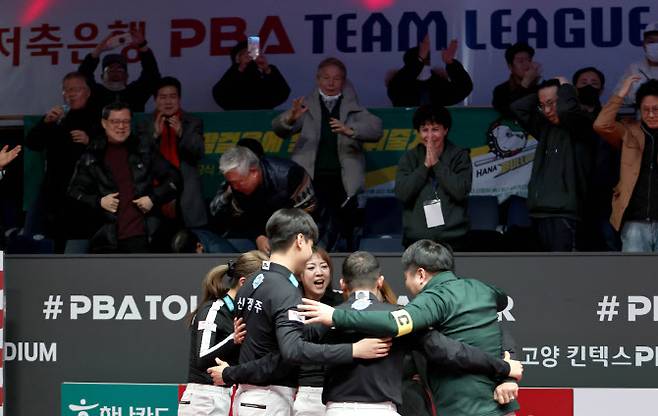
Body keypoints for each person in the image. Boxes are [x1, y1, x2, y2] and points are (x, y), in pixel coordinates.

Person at [299, 240, 521, 416]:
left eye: (406, 277)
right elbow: (459, 343)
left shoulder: (431, 300)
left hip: (463, 406)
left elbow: (392, 323)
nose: (406, 284)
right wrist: (505, 369)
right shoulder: (481, 289)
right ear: (379, 281)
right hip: (491, 403)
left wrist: (337, 316)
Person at [206, 208, 392, 416]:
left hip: (250, 398)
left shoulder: (251, 283)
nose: (311, 251)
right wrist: (354, 350)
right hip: (268, 399)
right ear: (300, 240)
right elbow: (292, 350)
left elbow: (273, 342)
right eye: (312, 245)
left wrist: (333, 318)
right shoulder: (284, 288)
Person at [272, 57, 383, 251]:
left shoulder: (352, 105)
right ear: (318, 79)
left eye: (336, 78)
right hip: (311, 178)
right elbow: (279, 129)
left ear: (344, 81)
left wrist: (351, 130)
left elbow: (376, 129)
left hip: (344, 180)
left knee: (346, 228)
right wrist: (290, 118)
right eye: (326, 78)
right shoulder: (305, 105)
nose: (331, 83)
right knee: (309, 229)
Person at [68, 102, 182, 253]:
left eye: (126, 121)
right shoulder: (92, 155)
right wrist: (99, 201)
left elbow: (175, 178)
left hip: (145, 236)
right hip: (106, 240)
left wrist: (153, 198)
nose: (121, 126)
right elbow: (74, 192)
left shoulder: (144, 149)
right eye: (115, 121)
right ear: (104, 123)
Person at [179, 250, 268, 416]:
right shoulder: (213, 310)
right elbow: (201, 358)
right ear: (244, 282)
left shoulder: (244, 314)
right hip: (202, 400)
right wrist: (232, 339)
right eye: (263, 285)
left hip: (225, 397)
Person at [510, 78, 594, 251]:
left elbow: (566, 111)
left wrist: (566, 88)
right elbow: (517, 108)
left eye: (552, 103)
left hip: (565, 213)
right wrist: (543, 93)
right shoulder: (545, 127)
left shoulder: (581, 125)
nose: (547, 111)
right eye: (543, 105)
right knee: (542, 273)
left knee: (564, 273)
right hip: (539, 211)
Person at [24, 72, 101, 252]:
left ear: (88, 92)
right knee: (41, 240)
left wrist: (90, 141)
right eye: (66, 90)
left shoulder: (99, 117)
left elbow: (112, 150)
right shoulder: (57, 118)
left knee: (77, 245)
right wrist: (46, 122)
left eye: (76, 89)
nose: (71, 94)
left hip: (85, 193)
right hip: (54, 190)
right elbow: (32, 144)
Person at [137, 76, 207, 249]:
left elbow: (198, 152)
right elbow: (139, 160)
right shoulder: (144, 124)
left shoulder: (192, 122)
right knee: (153, 245)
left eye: (172, 96)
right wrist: (155, 136)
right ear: (155, 100)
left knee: (189, 245)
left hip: (185, 195)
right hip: (154, 195)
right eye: (163, 97)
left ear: (179, 99)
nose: (168, 101)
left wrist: (182, 133)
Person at [209, 146, 317, 254]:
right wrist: (258, 237)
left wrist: (280, 239)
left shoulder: (290, 174)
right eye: (232, 183)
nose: (234, 187)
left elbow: (309, 213)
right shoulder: (236, 186)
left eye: (238, 182)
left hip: (310, 232)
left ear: (254, 172)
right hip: (266, 238)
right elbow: (242, 219)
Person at [594, 76, 658, 252]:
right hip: (634, 222)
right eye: (646, 110)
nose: (651, 114)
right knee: (635, 277)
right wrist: (621, 93)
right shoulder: (629, 131)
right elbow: (601, 124)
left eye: (656, 109)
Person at [395, 105, 472, 250]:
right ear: (418, 132)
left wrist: (436, 164)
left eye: (435, 129)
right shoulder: (409, 157)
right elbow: (402, 194)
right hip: (416, 241)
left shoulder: (460, 156)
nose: (429, 136)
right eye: (425, 130)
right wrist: (424, 167)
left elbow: (461, 191)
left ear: (445, 130)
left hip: (453, 240)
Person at [572, 67, 621, 251]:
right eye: (583, 83)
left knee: (610, 247)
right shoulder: (567, 121)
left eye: (594, 83)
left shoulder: (613, 123)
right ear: (574, 89)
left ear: (601, 90)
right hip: (574, 198)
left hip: (605, 200)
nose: (589, 87)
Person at [293, 247, 343, 416]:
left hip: (339, 388)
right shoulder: (291, 304)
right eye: (311, 267)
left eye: (324, 266)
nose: (319, 272)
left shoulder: (342, 302)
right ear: (300, 274)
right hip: (304, 389)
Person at [78, 30, 161, 112]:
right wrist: (98, 50)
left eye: (120, 68)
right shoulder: (94, 93)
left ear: (127, 76)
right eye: (110, 68)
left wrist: (142, 46)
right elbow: (81, 77)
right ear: (102, 76)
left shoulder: (135, 93)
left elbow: (152, 75)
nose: (115, 70)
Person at [387, 36, 473, 107]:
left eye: (426, 60)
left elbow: (464, 88)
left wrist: (451, 63)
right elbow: (398, 86)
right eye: (422, 60)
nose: (424, 64)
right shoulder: (399, 86)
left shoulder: (438, 84)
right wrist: (419, 60)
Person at [212, 40, 291, 110]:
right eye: (246, 54)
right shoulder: (233, 75)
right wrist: (240, 67)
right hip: (236, 120)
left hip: (263, 120)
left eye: (255, 53)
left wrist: (267, 70)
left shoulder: (265, 75)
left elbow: (283, 93)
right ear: (237, 58)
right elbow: (220, 95)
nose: (251, 57)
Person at [614, 22, 658, 109]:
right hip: (640, 118)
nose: (656, 45)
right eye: (651, 41)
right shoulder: (634, 68)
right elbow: (617, 99)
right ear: (644, 45)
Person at [492, 42, 542, 119]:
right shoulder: (500, 91)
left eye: (529, 60)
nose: (526, 64)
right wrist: (525, 83)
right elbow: (510, 112)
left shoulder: (542, 88)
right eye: (521, 61)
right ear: (510, 66)